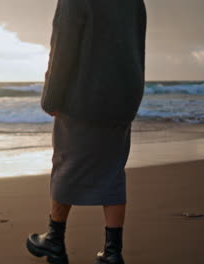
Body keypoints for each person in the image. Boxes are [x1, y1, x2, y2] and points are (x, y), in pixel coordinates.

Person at [26, 0, 147, 264]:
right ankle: (113, 252)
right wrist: (133, 95)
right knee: (113, 172)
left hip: (84, 97)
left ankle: (55, 240)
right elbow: (138, 47)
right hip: (123, 98)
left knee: (66, 165)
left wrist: (51, 98)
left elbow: (63, 49)